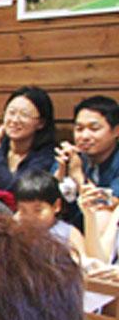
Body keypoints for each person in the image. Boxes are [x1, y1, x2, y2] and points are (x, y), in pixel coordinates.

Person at [0, 85, 56, 192]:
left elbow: (14, 191)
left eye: (24, 115)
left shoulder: (45, 155)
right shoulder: (1, 145)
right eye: (11, 112)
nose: (15, 120)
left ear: (41, 123)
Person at [53, 95, 119, 229]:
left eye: (94, 129)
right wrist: (59, 174)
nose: (84, 136)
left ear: (116, 131)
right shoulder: (71, 157)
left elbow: (106, 206)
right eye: (79, 129)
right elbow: (42, 203)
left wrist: (78, 175)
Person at [12, 170, 86, 260]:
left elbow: (82, 262)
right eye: (23, 210)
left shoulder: (69, 234)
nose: (30, 217)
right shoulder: (14, 232)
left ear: (56, 206)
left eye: (37, 210)